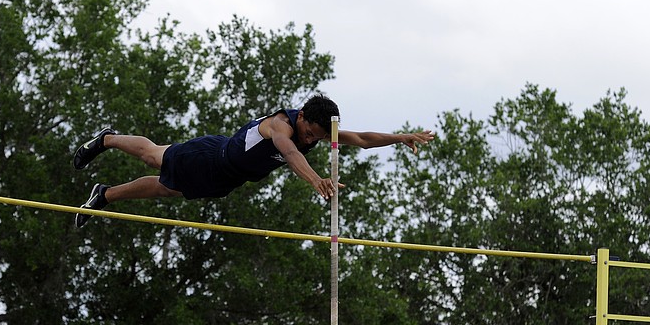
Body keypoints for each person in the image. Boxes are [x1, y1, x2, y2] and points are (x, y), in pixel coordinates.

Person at [72, 94, 434, 227]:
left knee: (167, 190)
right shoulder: (281, 125)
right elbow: (290, 153)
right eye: (310, 133)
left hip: (226, 177)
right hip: (211, 159)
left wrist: (400, 137)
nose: (311, 140)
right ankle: (107, 139)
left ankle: (103, 195)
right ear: (303, 116)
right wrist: (316, 181)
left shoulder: (318, 129)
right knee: (154, 158)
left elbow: (361, 139)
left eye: (319, 139)